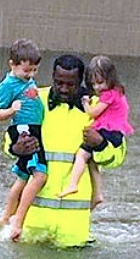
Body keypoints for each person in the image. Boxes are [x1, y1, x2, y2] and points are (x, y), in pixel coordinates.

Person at [5, 54, 127, 247]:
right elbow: (10, 137)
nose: (64, 88)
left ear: (83, 82)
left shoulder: (98, 107)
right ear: (52, 76)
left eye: (71, 84)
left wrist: (101, 143)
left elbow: (117, 156)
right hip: (32, 225)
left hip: (73, 231)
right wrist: (15, 148)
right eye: (59, 82)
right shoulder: (35, 98)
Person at [57, 55, 134, 208]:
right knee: (92, 161)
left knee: (82, 154)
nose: (97, 88)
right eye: (93, 84)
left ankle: (73, 183)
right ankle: (97, 193)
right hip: (114, 130)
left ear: (110, 78)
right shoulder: (118, 92)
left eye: (100, 82)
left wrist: (85, 103)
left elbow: (93, 113)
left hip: (109, 131)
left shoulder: (108, 95)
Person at [0, 38, 45, 241]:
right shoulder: (7, 85)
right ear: (12, 65)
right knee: (39, 175)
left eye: (34, 71)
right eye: (26, 71)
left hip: (33, 128)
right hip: (23, 131)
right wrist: (11, 110)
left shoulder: (26, 80)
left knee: (23, 176)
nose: (30, 75)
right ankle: (16, 220)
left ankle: (5, 217)